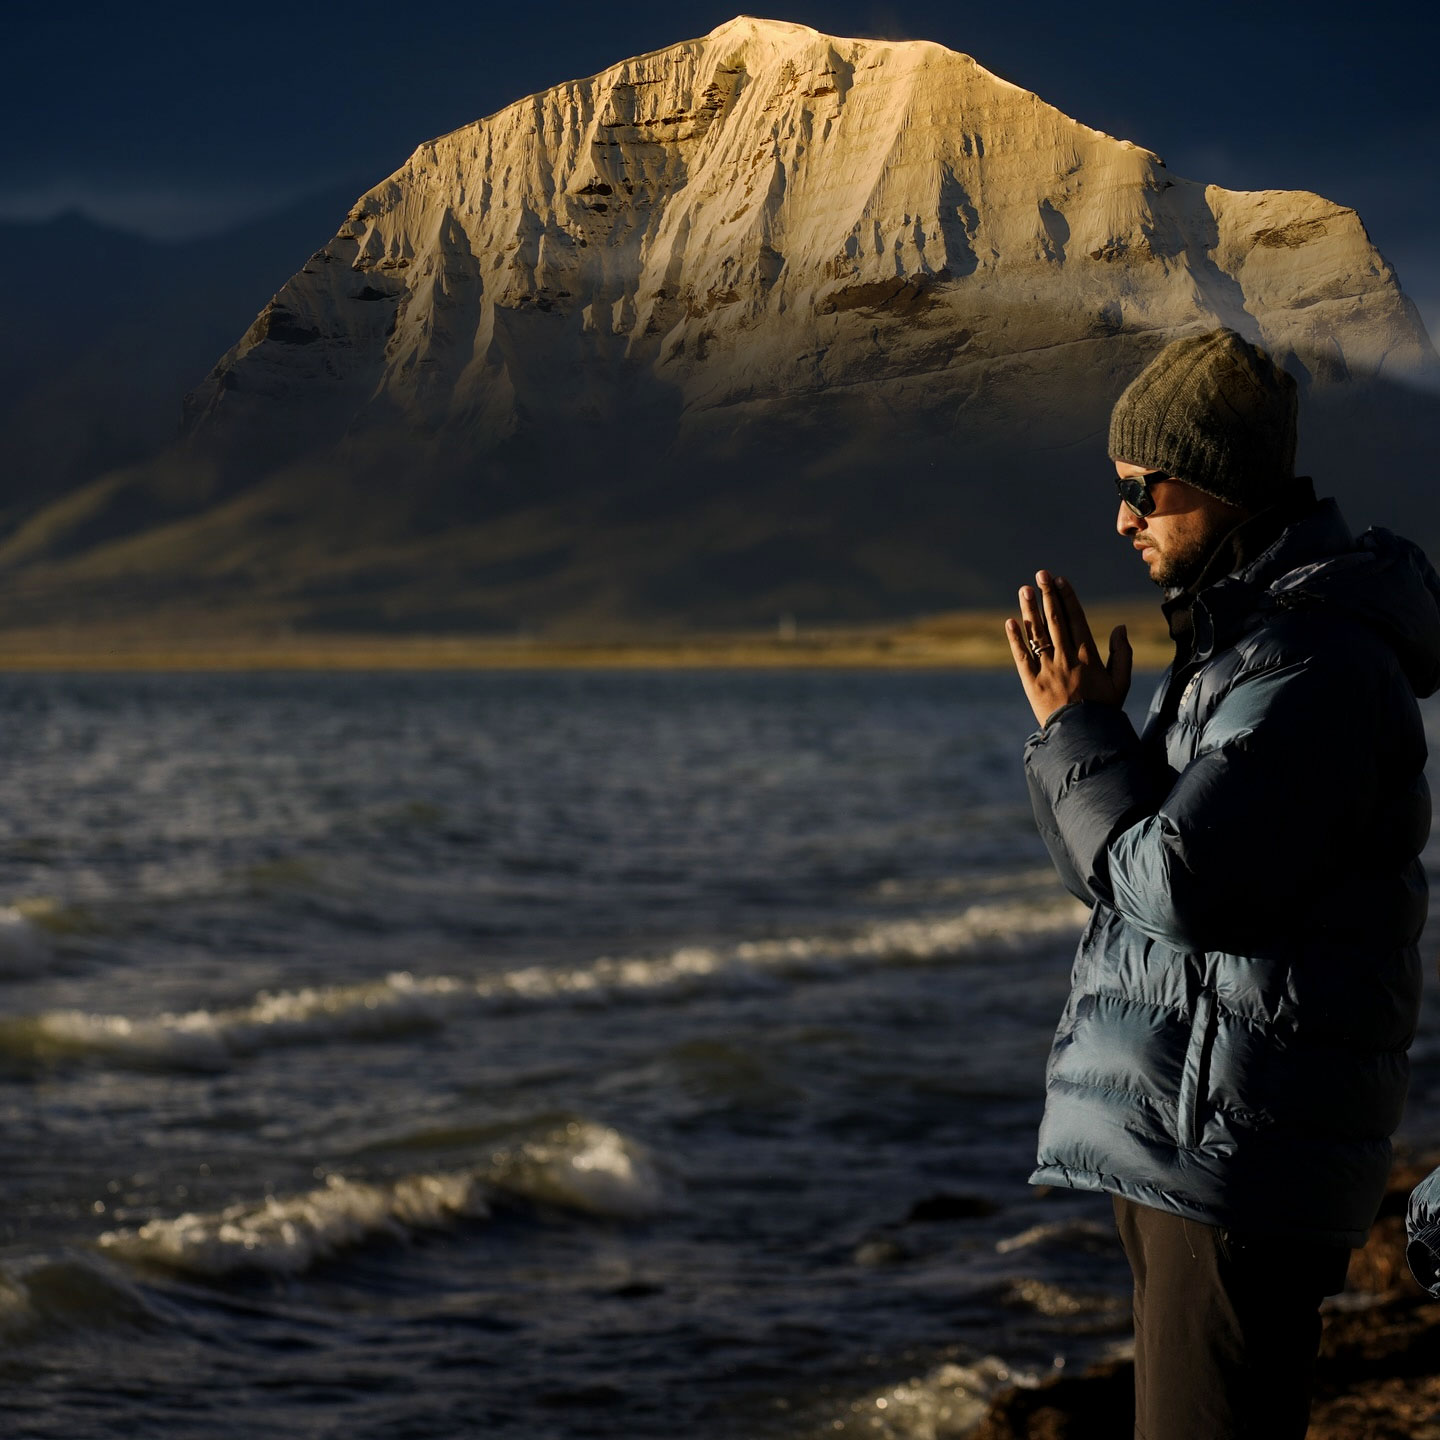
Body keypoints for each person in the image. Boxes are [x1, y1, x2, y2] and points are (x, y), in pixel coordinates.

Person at [1004, 327, 1440, 1439]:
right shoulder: (1246, 645)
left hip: (1237, 1150)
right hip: (1193, 1135)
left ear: (1224, 483)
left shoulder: (1314, 661)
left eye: (1143, 489)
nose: (1122, 519)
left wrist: (1082, 735)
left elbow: (1181, 884)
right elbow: (1124, 882)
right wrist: (1089, 746)